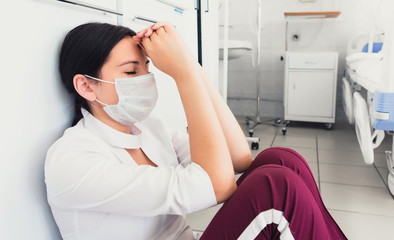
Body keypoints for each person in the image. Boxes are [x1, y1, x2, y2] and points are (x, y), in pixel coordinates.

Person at [44, 22, 347, 240]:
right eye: (130, 71)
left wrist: (193, 66)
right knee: (275, 187)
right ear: (86, 86)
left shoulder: (149, 128)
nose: (146, 78)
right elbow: (218, 186)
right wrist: (184, 76)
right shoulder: (73, 160)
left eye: (148, 67)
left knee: (282, 159)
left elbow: (237, 159)